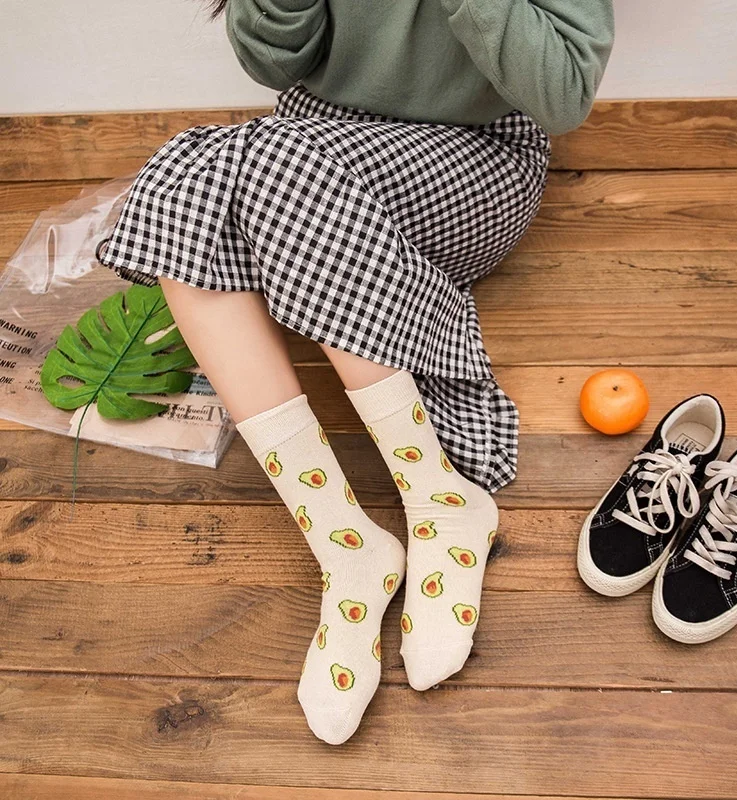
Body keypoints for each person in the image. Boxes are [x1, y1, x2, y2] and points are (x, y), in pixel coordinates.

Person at [96, 0, 614, 745]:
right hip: (312, 148)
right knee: (189, 172)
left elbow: (563, 96)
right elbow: (271, 61)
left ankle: (440, 495)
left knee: (267, 164)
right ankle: (346, 547)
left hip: (476, 161)